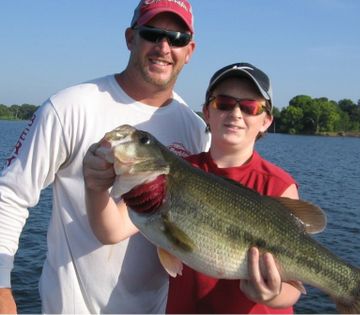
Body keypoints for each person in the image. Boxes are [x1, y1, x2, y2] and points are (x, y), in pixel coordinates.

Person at [0, 0, 210, 313]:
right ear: (130, 38)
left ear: (189, 50)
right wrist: (2, 287)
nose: (164, 47)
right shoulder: (69, 108)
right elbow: (10, 195)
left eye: (177, 39)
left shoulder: (195, 129)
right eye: (152, 34)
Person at [83, 62, 302, 314]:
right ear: (207, 112)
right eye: (224, 103)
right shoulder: (175, 172)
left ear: (266, 121)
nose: (237, 113)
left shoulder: (278, 184)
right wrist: (95, 188)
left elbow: (294, 289)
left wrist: (272, 295)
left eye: (250, 107)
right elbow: (111, 231)